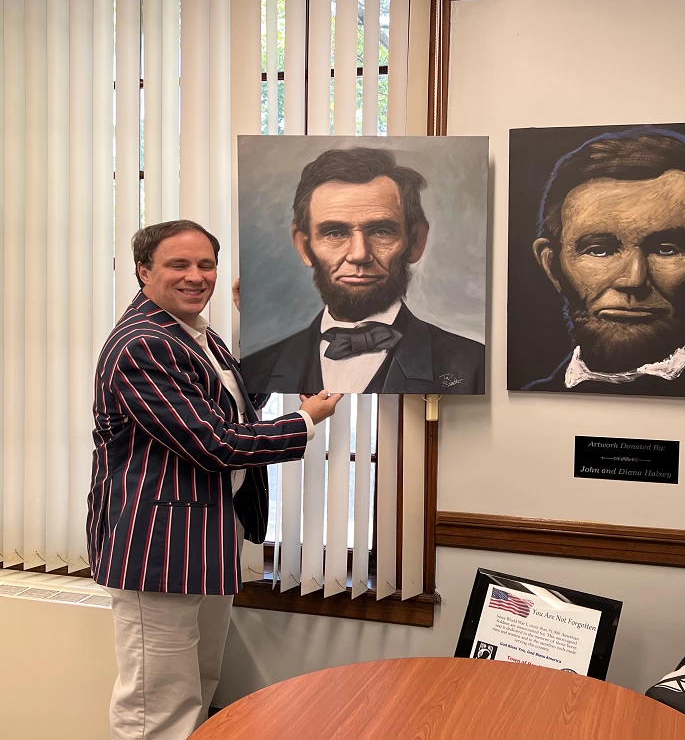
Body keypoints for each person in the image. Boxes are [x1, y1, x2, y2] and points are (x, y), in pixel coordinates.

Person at [86, 219, 344, 740]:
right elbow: (215, 443)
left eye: (205, 264)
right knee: (155, 707)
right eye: (178, 264)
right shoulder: (144, 343)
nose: (195, 276)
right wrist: (305, 422)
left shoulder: (193, 335)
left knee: (197, 687)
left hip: (203, 536)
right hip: (156, 549)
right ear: (143, 270)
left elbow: (234, 404)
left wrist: (267, 319)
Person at [523, 129, 685, 399]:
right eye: (599, 250)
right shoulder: (530, 402)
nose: (634, 280)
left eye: (666, 250)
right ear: (553, 266)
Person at [240, 147, 485, 394]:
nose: (359, 254)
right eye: (335, 233)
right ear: (304, 246)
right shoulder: (256, 370)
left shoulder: (475, 366)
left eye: (381, 231)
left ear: (416, 241)